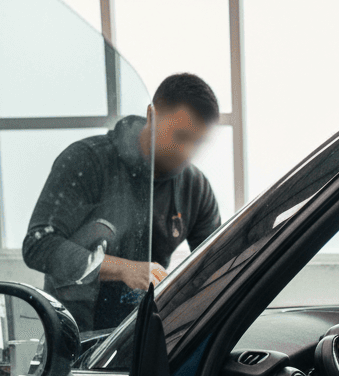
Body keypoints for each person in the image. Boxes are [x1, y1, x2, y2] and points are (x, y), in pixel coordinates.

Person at [22, 73, 222, 333]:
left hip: (140, 340)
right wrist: (125, 269)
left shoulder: (196, 186)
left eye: (197, 143)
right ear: (151, 115)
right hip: (75, 341)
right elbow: (38, 245)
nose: (187, 152)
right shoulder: (87, 161)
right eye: (180, 137)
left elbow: (216, 267)